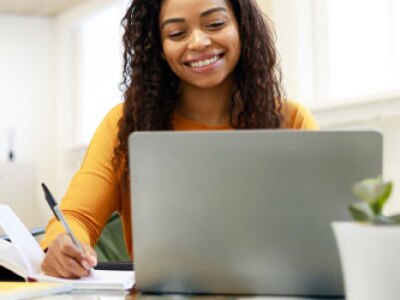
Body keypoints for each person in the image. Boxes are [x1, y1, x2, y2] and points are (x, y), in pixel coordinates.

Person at [40, 0, 319, 278]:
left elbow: (325, 228)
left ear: (242, 28)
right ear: (159, 47)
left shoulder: (291, 120)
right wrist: (63, 243)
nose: (198, 42)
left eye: (215, 24)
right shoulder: (125, 125)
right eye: (177, 34)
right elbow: (77, 217)